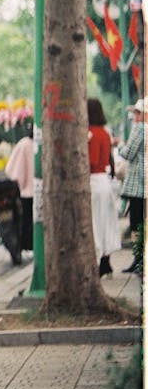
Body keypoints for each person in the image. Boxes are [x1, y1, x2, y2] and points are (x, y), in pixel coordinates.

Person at [87, 98, 121, 277]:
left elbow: (91, 161)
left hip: (93, 181)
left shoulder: (90, 133)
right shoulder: (105, 133)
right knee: (106, 222)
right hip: (104, 181)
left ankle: (98, 261)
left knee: (95, 223)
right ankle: (106, 260)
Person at [118, 98, 145, 274]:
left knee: (136, 223)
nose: (135, 116)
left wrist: (120, 146)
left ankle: (138, 259)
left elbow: (128, 153)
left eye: (137, 113)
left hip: (138, 185)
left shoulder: (140, 129)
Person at [4, 117, 36, 258]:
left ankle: (27, 247)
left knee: (28, 221)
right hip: (33, 192)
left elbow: (12, 170)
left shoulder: (24, 144)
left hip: (27, 192)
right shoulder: (29, 145)